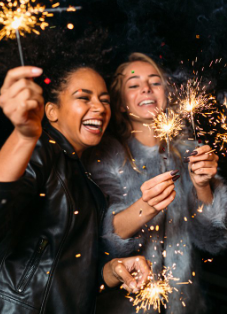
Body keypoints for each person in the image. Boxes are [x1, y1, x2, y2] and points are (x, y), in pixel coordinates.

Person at [0, 32, 150, 314]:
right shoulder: (40, 150)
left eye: (104, 100)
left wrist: (112, 270)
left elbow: (72, 276)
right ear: (52, 112)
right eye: (84, 97)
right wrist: (23, 136)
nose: (99, 108)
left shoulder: (87, 180)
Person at [83, 53, 227, 313]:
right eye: (134, 85)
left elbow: (215, 240)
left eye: (155, 82)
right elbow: (102, 241)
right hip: (125, 305)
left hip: (186, 304)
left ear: (166, 93)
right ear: (120, 103)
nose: (146, 88)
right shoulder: (104, 157)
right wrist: (146, 206)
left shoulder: (192, 152)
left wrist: (202, 185)